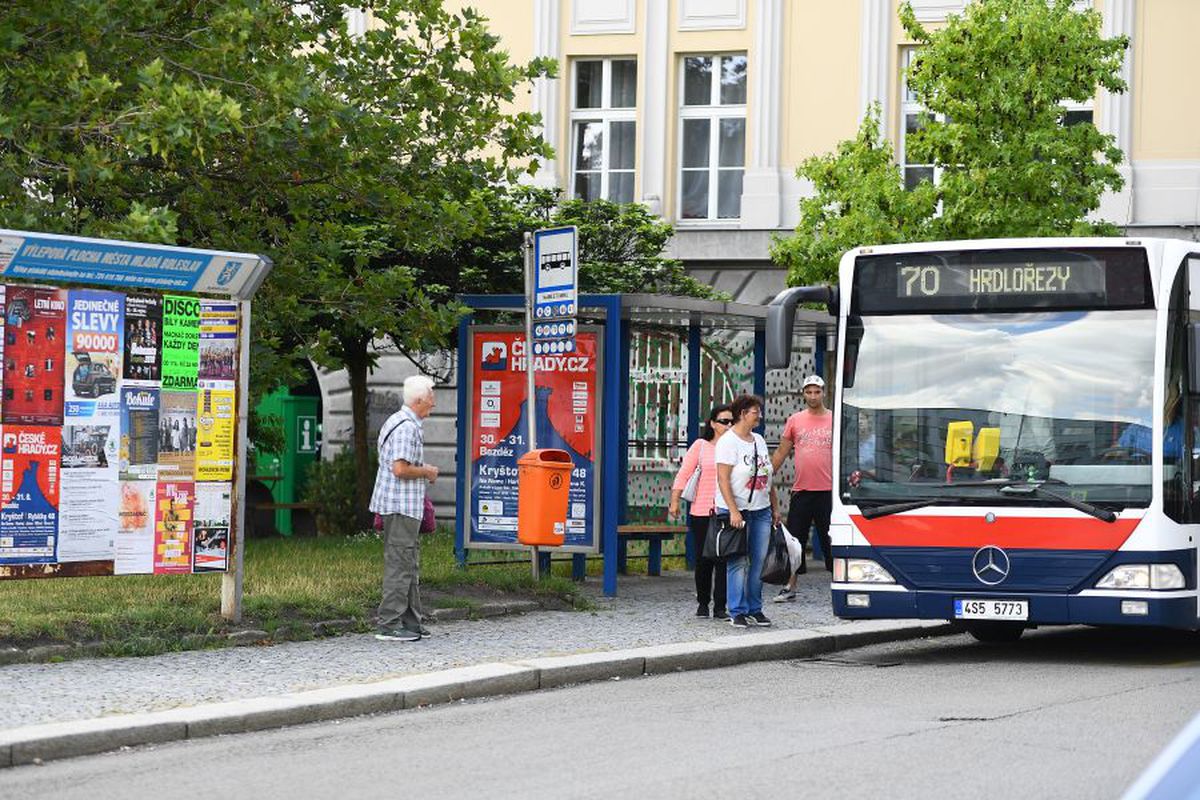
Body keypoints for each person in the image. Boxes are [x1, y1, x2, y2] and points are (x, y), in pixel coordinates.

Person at [369, 375, 439, 642]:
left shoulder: (403, 422)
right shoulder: (406, 427)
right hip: (400, 506)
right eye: (431, 396)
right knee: (400, 565)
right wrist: (427, 471)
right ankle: (389, 624)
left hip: (403, 506)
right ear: (419, 399)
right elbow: (400, 469)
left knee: (408, 563)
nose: (433, 402)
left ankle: (411, 622)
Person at [715, 393, 779, 629]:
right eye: (755, 412)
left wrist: (775, 506)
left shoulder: (759, 440)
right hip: (737, 510)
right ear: (743, 414)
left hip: (761, 509)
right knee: (738, 561)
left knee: (759, 560)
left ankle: (755, 608)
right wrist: (733, 511)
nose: (759, 416)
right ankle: (737, 610)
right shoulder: (727, 442)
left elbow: (767, 474)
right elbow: (723, 479)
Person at [771, 374, 834, 602]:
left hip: (828, 491)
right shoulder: (795, 420)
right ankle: (790, 586)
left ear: (824, 393)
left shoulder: (834, 419)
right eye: (809, 392)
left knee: (831, 540)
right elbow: (781, 451)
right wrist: (765, 476)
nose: (813, 396)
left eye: (817, 391)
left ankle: (839, 584)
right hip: (802, 490)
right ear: (803, 394)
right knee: (794, 540)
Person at [668, 405, 732, 620]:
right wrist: (674, 501)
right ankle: (703, 603)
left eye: (731, 421)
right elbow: (684, 474)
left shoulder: (735, 446)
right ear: (713, 423)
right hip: (702, 511)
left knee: (724, 560)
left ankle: (721, 606)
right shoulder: (701, 446)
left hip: (726, 511)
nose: (728, 425)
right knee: (703, 561)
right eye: (724, 421)